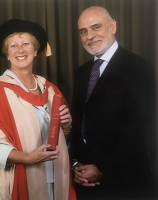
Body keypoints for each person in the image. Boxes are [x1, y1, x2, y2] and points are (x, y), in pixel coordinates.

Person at [0, 19, 77, 200]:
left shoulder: (51, 90)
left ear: (35, 50)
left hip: (55, 177)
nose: (20, 50)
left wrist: (66, 126)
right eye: (13, 46)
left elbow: (61, 139)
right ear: (7, 54)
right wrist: (28, 158)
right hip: (17, 178)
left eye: (26, 44)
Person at [69, 6, 156, 200]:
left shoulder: (138, 67)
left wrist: (102, 167)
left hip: (125, 180)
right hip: (86, 181)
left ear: (113, 26)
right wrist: (75, 164)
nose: (90, 36)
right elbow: (77, 123)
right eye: (83, 31)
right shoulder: (82, 72)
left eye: (96, 27)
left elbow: (139, 129)